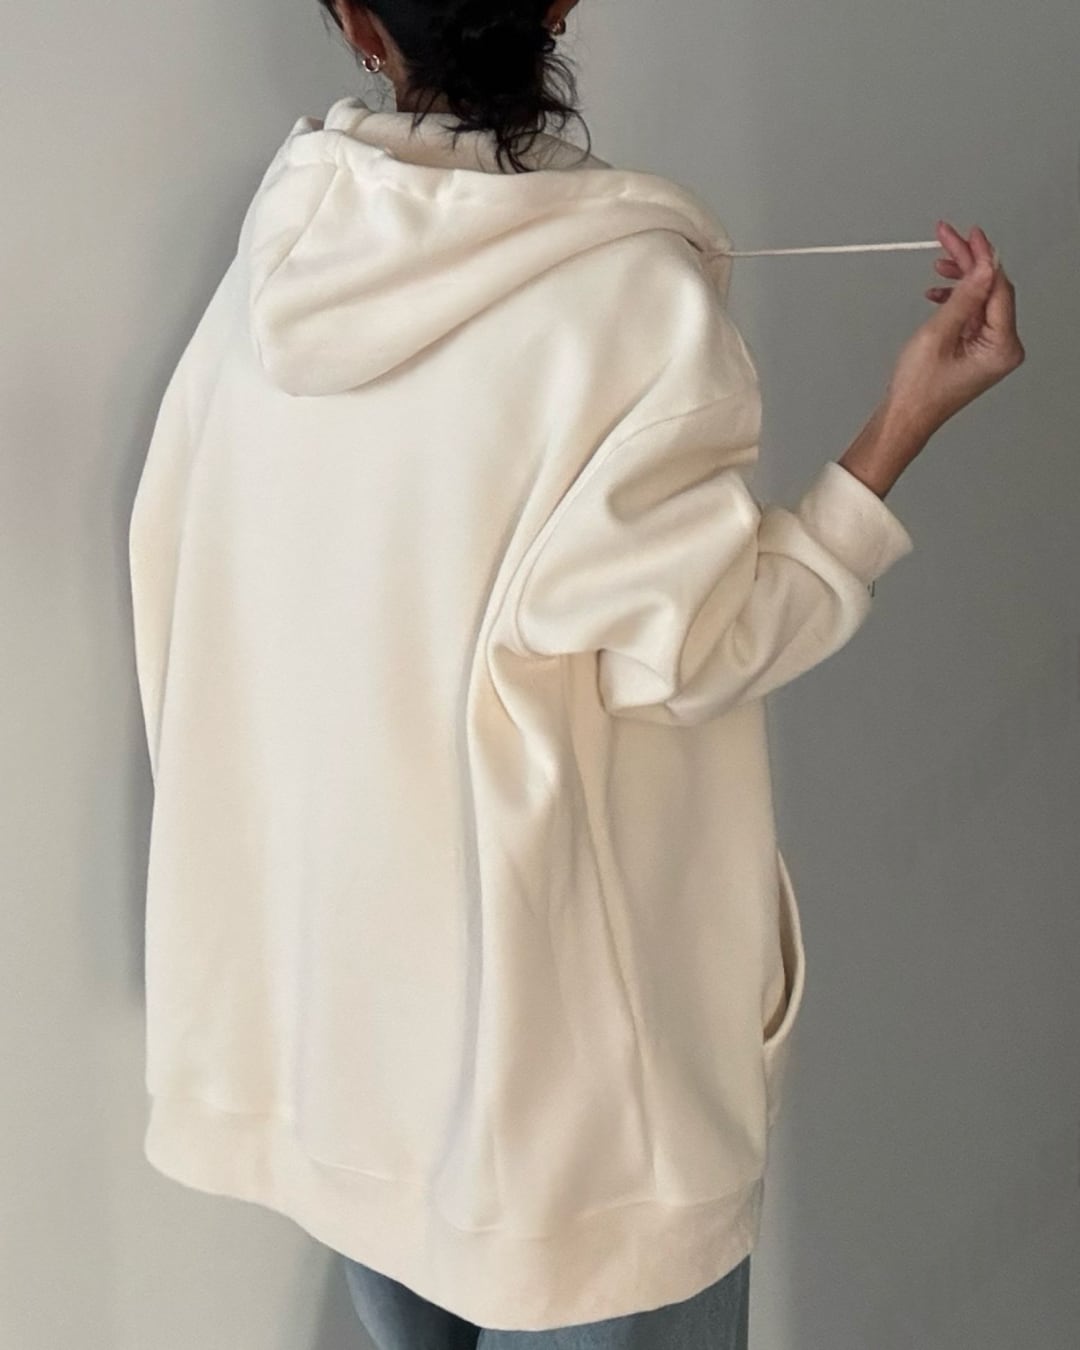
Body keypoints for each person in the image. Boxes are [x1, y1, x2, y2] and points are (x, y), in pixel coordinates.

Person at [126, 0, 1025, 1346]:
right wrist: (901, 425)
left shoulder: (269, 279)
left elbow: (184, 601)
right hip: (571, 1125)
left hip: (350, 1067)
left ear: (357, 21)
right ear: (559, 5)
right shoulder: (630, 303)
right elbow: (703, 644)